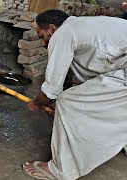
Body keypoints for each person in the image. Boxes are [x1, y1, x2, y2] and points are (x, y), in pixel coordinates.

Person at [22, 10, 127, 180]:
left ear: (51, 28)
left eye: (42, 36)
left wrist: (36, 103)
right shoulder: (79, 25)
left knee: (67, 101)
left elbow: (51, 91)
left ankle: (60, 170)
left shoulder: (63, 34)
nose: (43, 43)